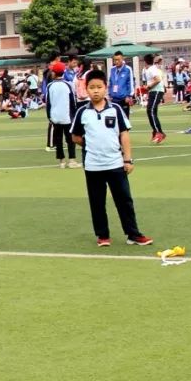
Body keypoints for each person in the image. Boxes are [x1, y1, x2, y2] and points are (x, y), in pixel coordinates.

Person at [69, 69, 152, 248]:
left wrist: (128, 159)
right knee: (97, 202)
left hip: (115, 163)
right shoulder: (82, 112)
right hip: (93, 166)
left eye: (99, 87)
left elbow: (124, 134)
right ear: (86, 90)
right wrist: (89, 144)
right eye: (92, 87)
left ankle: (133, 234)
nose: (96, 91)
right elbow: (75, 136)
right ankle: (103, 235)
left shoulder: (116, 109)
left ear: (106, 88)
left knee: (124, 201)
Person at [45, 63, 78, 169]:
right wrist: (74, 115)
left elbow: (48, 102)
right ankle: (72, 160)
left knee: (58, 139)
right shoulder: (68, 85)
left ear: (54, 73)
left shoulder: (50, 86)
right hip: (67, 116)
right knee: (70, 139)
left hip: (55, 117)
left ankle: (61, 161)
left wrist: (49, 116)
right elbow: (73, 101)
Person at [143, 54, 166, 144]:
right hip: (154, 91)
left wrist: (148, 87)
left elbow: (157, 79)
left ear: (145, 62)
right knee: (151, 111)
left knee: (151, 110)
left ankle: (158, 132)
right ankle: (157, 131)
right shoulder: (151, 69)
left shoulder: (151, 69)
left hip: (156, 91)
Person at [107, 51, 135, 117]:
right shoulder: (112, 69)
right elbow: (110, 82)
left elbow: (130, 83)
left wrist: (129, 96)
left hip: (124, 99)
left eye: (118, 60)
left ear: (122, 59)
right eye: (115, 60)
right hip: (113, 99)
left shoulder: (128, 69)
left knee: (125, 120)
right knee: (115, 120)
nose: (116, 62)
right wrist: (109, 94)